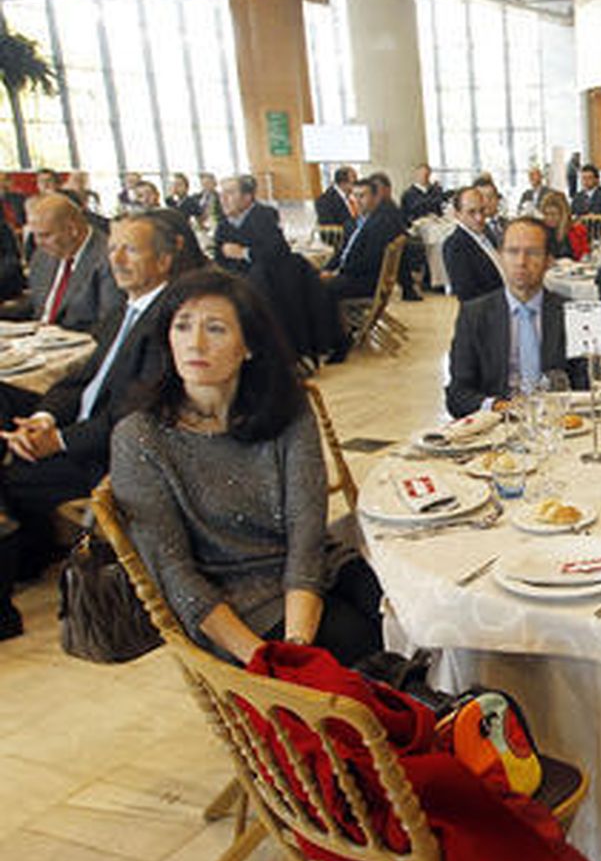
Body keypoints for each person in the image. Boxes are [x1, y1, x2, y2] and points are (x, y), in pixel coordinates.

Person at [110, 268, 383, 666]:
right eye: (182, 327)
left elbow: (306, 528)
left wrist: (297, 644)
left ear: (249, 346)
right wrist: (266, 658)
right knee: (353, 641)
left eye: (216, 329)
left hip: (309, 569)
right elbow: (173, 572)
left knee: (403, 614)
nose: (195, 343)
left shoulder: (287, 409)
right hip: (232, 601)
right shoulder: (141, 437)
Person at [0, 214, 181, 636]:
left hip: (110, 451)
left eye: (130, 250)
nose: (115, 258)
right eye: (113, 247)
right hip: (85, 420)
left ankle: (5, 607)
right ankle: (32, 546)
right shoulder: (126, 308)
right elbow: (82, 378)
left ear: (164, 260)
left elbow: (133, 418)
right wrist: (42, 419)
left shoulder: (167, 319)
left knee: (8, 471)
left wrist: (58, 441)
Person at [446, 218, 589, 418]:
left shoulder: (573, 312)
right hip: (498, 426)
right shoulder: (474, 315)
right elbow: (457, 395)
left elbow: (588, 385)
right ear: (501, 256)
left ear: (549, 261)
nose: (521, 262)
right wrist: (499, 407)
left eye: (533, 253)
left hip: (560, 424)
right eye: (513, 252)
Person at [2, 194, 121, 332]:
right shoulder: (43, 255)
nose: (38, 242)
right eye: (34, 235)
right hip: (36, 342)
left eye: (45, 235)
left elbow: (109, 323)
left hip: (81, 344)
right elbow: (41, 303)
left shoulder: (109, 258)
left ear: (72, 230)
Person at [321, 174, 408, 305]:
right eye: (354, 196)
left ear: (375, 198)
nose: (357, 200)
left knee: (314, 289)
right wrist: (326, 270)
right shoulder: (354, 223)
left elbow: (369, 260)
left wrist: (337, 274)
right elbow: (341, 251)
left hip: (364, 282)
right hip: (349, 276)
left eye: (362, 196)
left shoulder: (380, 224)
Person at [213, 175, 291, 281]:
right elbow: (219, 257)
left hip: (265, 282)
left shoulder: (264, 216)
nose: (223, 199)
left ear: (247, 197)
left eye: (230, 193)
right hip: (234, 283)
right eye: (221, 194)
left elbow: (280, 252)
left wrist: (244, 253)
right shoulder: (223, 223)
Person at [440, 186, 503, 305]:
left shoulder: (486, 234)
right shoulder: (455, 245)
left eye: (482, 210)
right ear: (457, 214)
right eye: (471, 212)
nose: (479, 218)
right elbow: (468, 297)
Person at [539, 191, 589, 261]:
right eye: (546, 214)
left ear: (563, 214)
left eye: (553, 214)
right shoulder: (541, 232)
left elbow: (585, 255)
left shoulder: (576, 231)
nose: (549, 218)